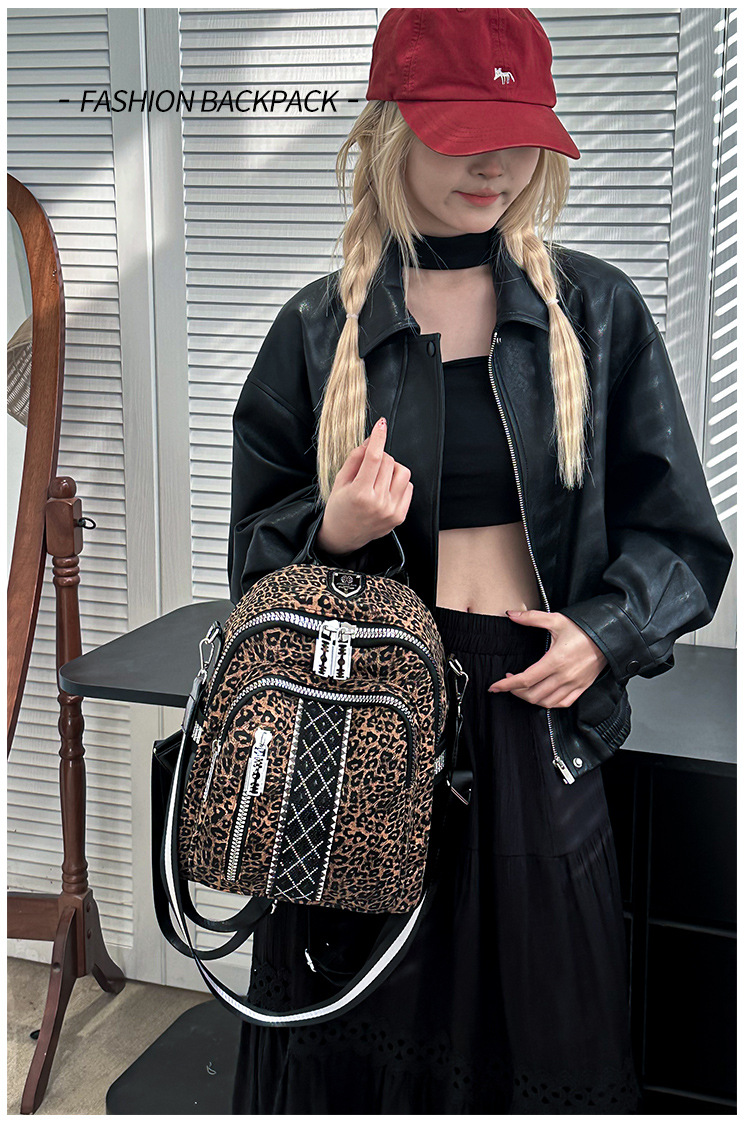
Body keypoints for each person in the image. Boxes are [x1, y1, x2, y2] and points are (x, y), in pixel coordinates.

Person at [227, 9, 733, 1114]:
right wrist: (333, 530)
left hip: (532, 710)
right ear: (392, 128)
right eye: (463, 133)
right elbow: (253, 571)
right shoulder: (316, 328)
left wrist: (605, 632)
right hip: (363, 719)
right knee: (353, 1026)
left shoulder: (594, 313)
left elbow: (683, 539)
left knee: (543, 1021)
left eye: (518, 137)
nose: (496, 164)